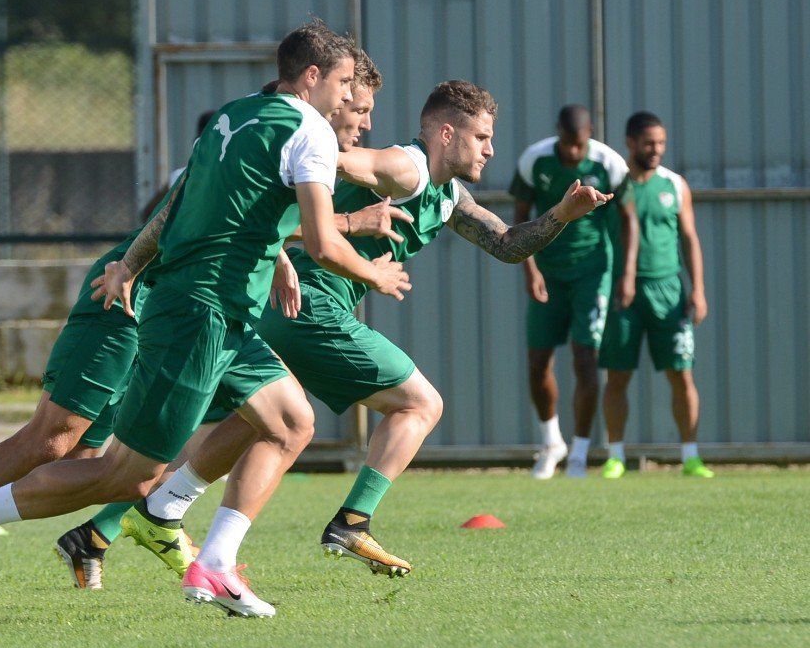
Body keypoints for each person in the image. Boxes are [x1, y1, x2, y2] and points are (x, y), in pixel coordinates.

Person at [0, 20, 411, 620]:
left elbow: (177, 208)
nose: (350, 99)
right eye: (345, 83)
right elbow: (321, 242)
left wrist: (131, 265)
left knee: (291, 421)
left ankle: (213, 567)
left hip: (224, 314)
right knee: (125, 476)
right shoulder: (311, 132)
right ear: (312, 77)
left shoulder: (234, 114)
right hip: (200, 313)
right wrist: (374, 275)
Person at [135, 77, 614, 579]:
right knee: (421, 404)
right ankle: (352, 521)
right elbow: (339, 161)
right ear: (447, 134)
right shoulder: (405, 167)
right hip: (310, 305)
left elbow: (509, 245)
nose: (491, 150)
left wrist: (562, 213)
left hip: (284, 306)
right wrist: (282, 150)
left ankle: (136, 517)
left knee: (257, 425)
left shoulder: (448, 194)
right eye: (481, 137)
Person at [511, 105, 639, 479]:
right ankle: (552, 441)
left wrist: (626, 273)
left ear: (590, 135)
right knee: (537, 362)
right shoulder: (535, 159)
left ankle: (580, 454)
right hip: (547, 272)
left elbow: (628, 220)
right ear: (557, 135)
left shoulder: (608, 162)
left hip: (592, 272)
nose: (571, 152)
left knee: (585, 359)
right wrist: (528, 267)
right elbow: (519, 217)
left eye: (578, 145)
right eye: (566, 144)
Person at [599, 112, 712, 479]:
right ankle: (615, 456)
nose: (657, 150)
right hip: (623, 292)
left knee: (682, 375)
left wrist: (698, 290)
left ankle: (691, 456)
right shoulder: (615, 185)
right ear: (630, 143)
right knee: (617, 376)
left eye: (661, 143)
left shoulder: (675, 185)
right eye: (649, 143)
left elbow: (690, 238)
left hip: (669, 291)